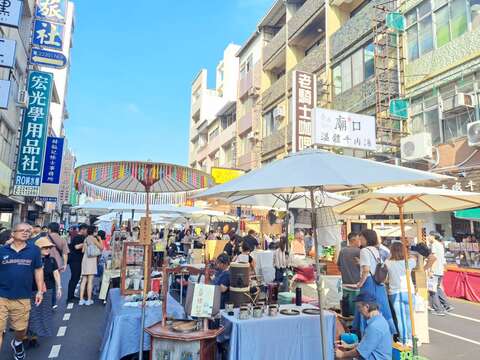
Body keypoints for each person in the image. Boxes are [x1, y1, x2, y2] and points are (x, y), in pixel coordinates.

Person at [0, 223, 43, 360]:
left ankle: (17, 342)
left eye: (28, 231)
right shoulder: (2, 251)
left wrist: (40, 291)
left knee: (20, 329)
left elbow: (38, 269)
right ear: (13, 233)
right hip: (2, 296)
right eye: (22, 230)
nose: (25, 233)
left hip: (23, 296)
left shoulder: (34, 250)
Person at [353, 229, 396, 336]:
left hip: (368, 283)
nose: (360, 240)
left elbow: (366, 270)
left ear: (366, 238)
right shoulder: (377, 250)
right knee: (382, 308)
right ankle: (389, 332)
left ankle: (365, 334)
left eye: (361, 238)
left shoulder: (364, 251)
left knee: (365, 308)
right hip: (379, 283)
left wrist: (360, 283)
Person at [27, 237, 62, 347]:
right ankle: (28, 336)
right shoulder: (30, 260)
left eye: (49, 247)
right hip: (32, 290)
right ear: (38, 248)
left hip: (47, 290)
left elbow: (56, 273)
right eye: (45, 247)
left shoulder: (51, 260)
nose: (48, 249)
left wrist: (59, 287)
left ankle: (35, 336)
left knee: (43, 313)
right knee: (31, 314)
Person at [335, 293, 392, 360]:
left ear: (367, 307)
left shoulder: (374, 327)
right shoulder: (380, 320)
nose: (359, 311)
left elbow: (360, 352)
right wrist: (349, 346)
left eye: (359, 307)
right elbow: (369, 344)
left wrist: (342, 355)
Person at [385, 242, 416, 345]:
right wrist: (407, 252)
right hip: (409, 291)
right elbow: (415, 257)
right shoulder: (409, 261)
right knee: (409, 317)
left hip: (395, 293)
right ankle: (411, 339)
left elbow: (385, 277)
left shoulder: (388, 262)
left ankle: (403, 340)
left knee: (400, 318)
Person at [428, 231, 453, 315]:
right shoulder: (440, 245)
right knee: (437, 288)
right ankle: (447, 305)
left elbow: (434, 258)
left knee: (432, 290)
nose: (428, 237)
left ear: (433, 237)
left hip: (435, 270)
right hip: (440, 270)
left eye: (429, 236)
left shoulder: (434, 245)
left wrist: (431, 270)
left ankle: (438, 309)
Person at [337, 232, 361, 317]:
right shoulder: (359, 252)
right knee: (356, 311)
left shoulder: (342, 251)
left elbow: (339, 266)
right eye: (359, 239)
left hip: (345, 284)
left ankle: (347, 327)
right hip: (357, 284)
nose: (360, 241)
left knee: (346, 308)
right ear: (354, 240)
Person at [47, 222, 69, 309]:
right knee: (54, 283)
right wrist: (65, 264)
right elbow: (65, 253)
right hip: (57, 263)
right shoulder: (62, 239)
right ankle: (53, 303)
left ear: (49, 229)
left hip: (47, 263)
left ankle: (45, 300)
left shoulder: (45, 238)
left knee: (45, 282)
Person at [79, 226, 103, 305]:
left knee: (84, 280)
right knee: (90, 281)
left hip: (85, 259)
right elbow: (101, 247)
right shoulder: (94, 239)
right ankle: (89, 300)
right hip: (92, 260)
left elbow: (83, 251)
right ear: (93, 232)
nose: (96, 232)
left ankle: (81, 299)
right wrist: (99, 239)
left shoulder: (86, 239)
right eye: (96, 231)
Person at [67, 223, 88, 303]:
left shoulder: (80, 237)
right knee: (74, 278)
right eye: (86, 230)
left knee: (75, 278)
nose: (86, 232)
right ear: (82, 230)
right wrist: (85, 243)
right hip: (75, 260)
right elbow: (76, 247)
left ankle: (71, 295)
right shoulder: (78, 237)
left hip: (77, 260)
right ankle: (70, 297)